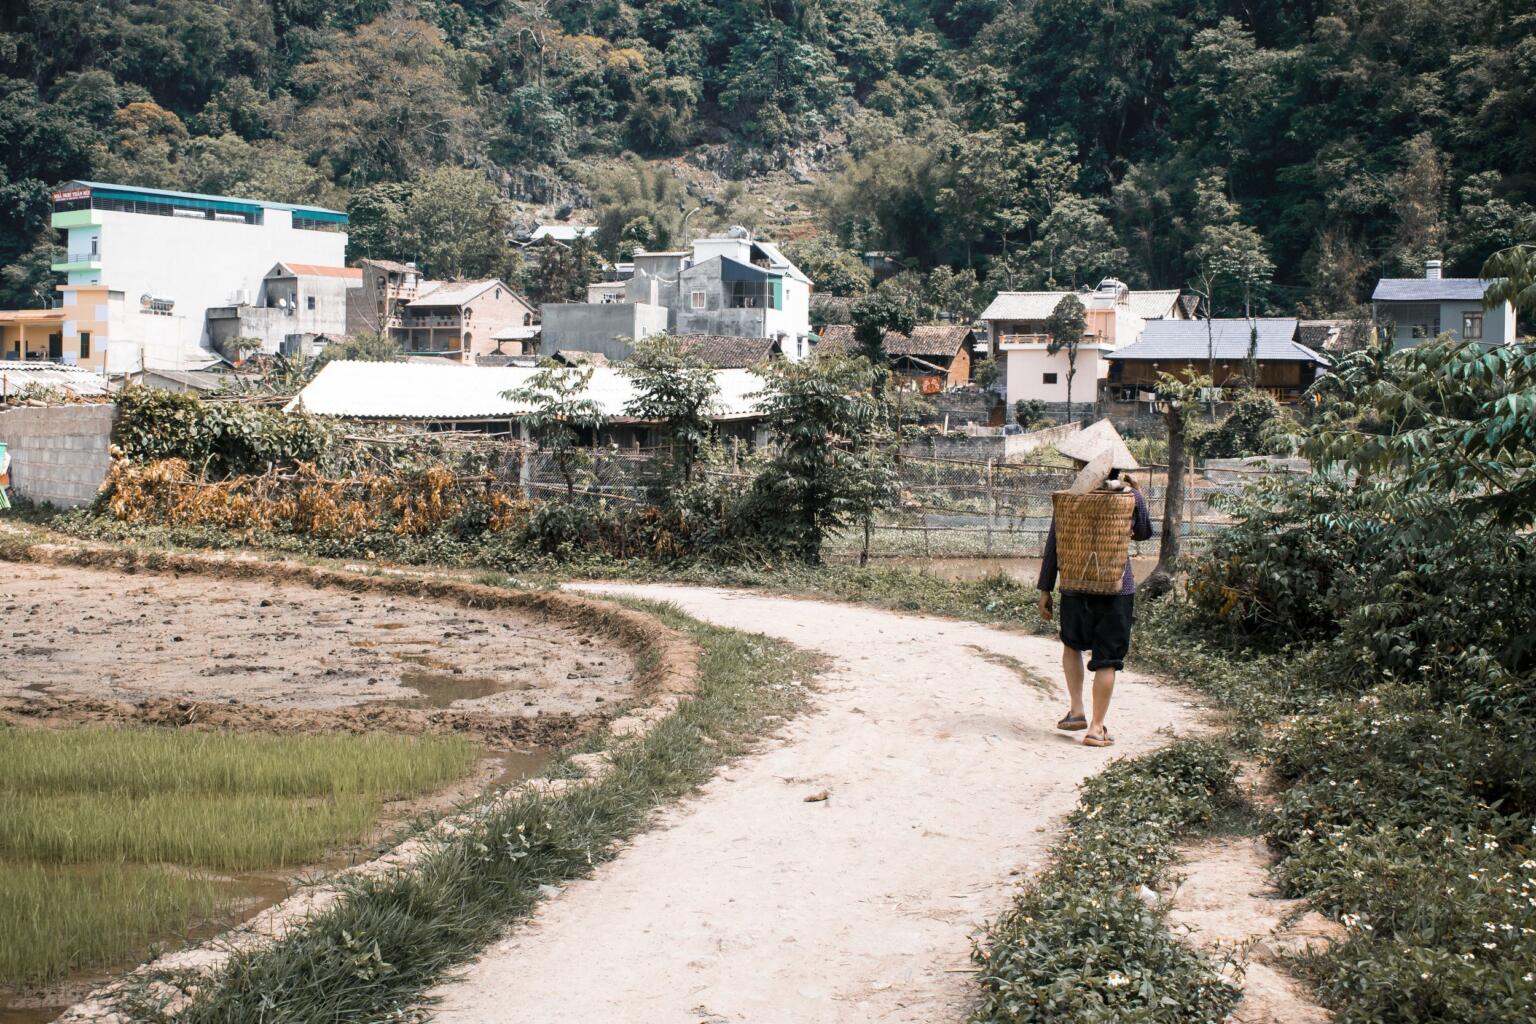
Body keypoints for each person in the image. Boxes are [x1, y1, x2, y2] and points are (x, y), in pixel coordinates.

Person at [1036, 444, 1153, 748]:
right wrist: (1136, 495)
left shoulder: (1070, 499)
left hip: (1074, 586)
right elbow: (1143, 532)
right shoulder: (1129, 496)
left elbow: (1054, 544)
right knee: (1107, 660)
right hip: (1116, 588)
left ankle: (1077, 711)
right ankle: (1096, 728)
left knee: (1072, 645)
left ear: (1081, 465)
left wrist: (1045, 588)